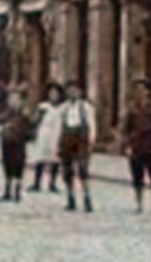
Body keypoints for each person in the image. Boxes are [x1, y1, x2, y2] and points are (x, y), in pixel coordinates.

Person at [120, 79, 151, 214]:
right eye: (137, 90)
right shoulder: (132, 109)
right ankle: (139, 203)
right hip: (137, 147)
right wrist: (127, 145)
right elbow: (126, 128)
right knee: (137, 177)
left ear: (149, 92)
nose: (140, 93)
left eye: (143, 90)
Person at [56, 78, 96, 213]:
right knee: (67, 171)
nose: (73, 93)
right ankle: (71, 197)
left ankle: (87, 198)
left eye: (75, 90)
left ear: (80, 92)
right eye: (70, 90)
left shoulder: (85, 107)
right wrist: (58, 144)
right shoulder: (63, 108)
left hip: (81, 140)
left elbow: (91, 125)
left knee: (83, 169)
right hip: (67, 139)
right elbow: (58, 127)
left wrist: (91, 141)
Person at [0, 89, 34, 202]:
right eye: (11, 99)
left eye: (16, 99)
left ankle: (17, 191)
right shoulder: (6, 112)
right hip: (7, 142)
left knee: (18, 165)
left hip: (19, 142)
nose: (13, 102)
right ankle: (7, 190)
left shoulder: (24, 114)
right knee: (7, 165)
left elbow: (30, 127)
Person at [29, 83, 66, 192]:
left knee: (55, 159)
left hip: (57, 133)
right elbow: (36, 120)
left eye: (56, 94)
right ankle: (37, 183)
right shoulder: (43, 107)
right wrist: (35, 133)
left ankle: (52, 184)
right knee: (40, 158)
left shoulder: (62, 108)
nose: (53, 96)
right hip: (44, 133)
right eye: (51, 94)